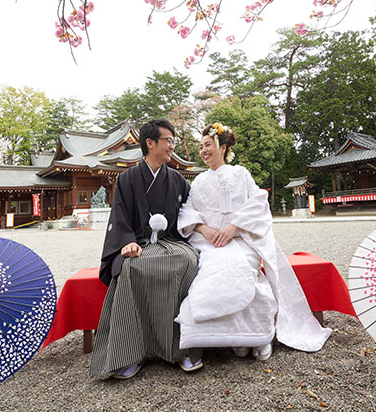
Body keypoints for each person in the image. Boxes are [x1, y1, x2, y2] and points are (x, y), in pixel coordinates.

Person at [175, 123, 332, 360]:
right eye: (200, 147)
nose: (203, 151)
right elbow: (187, 210)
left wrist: (233, 226)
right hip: (209, 243)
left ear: (222, 147)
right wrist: (203, 229)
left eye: (207, 145)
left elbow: (259, 201)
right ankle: (234, 338)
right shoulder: (198, 181)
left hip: (241, 239)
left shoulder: (241, 174)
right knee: (210, 271)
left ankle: (260, 335)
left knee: (246, 270)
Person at [89, 119, 203, 379]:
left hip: (171, 241)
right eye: (168, 141)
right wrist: (126, 241)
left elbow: (191, 213)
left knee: (188, 261)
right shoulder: (127, 179)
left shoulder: (176, 179)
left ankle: (183, 347)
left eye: (173, 141)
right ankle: (131, 352)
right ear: (150, 143)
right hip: (138, 242)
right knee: (131, 267)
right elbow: (119, 217)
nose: (172, 146)